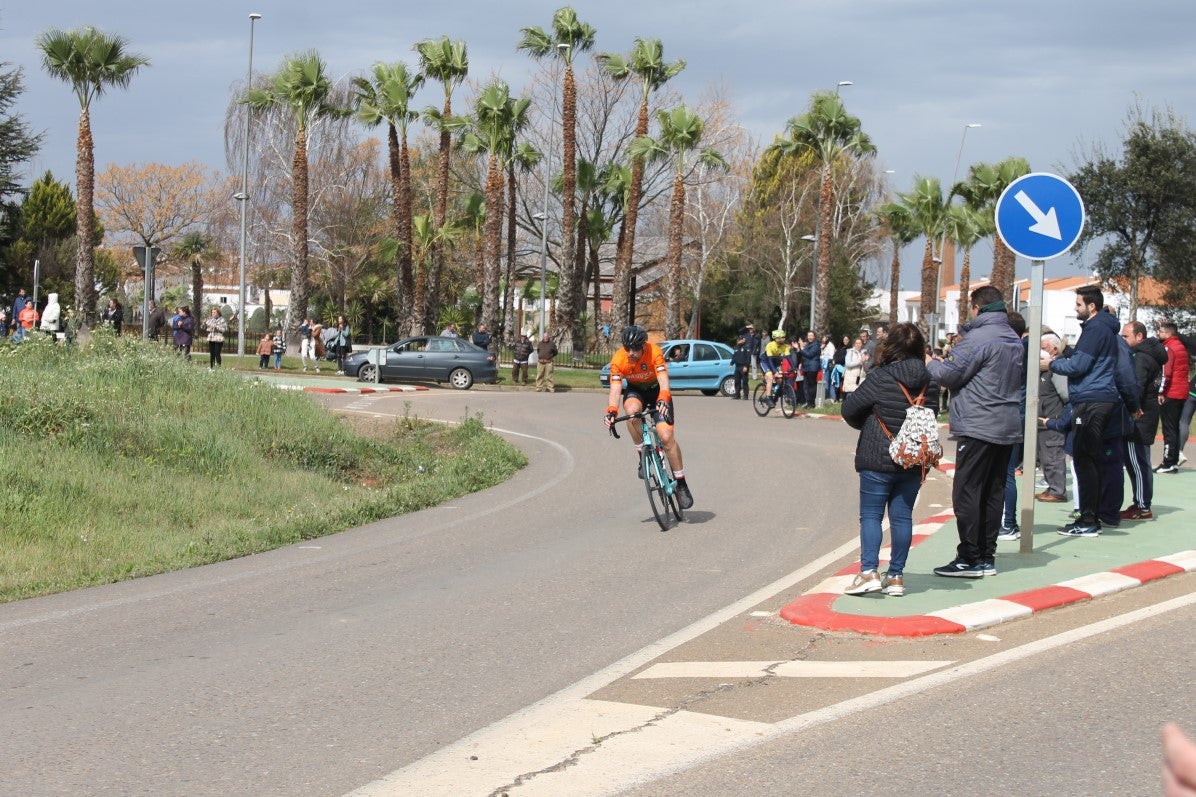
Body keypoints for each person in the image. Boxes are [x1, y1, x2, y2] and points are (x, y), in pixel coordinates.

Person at [926, 285, 1023, 577]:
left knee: (967, 492)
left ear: (977, 308)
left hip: (979, 424)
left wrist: (930, 362)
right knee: (993, 491)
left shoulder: (977, 338)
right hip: (1006, 424)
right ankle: (985, 555)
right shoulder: (1012, 337)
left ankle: (968, 556)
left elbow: (947, 375)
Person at [841, 323, 933, 597]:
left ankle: (869, 571)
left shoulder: (881, 376)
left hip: (878, 455)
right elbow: (931, 414)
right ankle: (895, 577)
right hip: (914, 457)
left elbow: (849, 409)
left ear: (890, 346)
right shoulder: (930, 380)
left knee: (871, 515)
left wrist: (868, 424)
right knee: (902, 516)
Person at [1047, 286, 1124, 537]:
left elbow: (1080, 365)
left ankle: (1089, 519)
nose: (1075, 308)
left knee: (1085, 459)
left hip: (1091, 400)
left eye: (1078, 304)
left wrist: (1052, 364)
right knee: (1090, 459)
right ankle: (1092, 516)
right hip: (1097, 397)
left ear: (1092, 307)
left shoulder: (1096, 329)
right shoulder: (1102, 328)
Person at [603, 324, 693, 509]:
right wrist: (611, 410)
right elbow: (615, 389)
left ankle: (681, 483)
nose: (631, 353)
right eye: (628, 348)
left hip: (657, 392)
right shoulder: (619, 359)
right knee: (631, 414)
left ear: (644, 345)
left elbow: (663, 382)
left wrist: (663, 399)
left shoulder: (655, 352)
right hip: (636, 391)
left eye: (635, 348)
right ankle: (642, 457)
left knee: (667, 438)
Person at [1121, 321, 1166, 520]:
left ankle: (1142, 505)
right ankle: (1141, 503)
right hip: (1147, 413)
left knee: (1137, 463)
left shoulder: (1141, 358)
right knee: (1141, 462)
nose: (1123, 340)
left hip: (1139, 417)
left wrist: (1132, 408)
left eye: (1126, 336)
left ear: (1139, 336)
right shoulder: (1152, 355)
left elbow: (1136, 386)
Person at [1034, 333, 1071, 504]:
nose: (1040, 352)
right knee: (1046, 457)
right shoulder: (1045, 369)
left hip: (1053, 419)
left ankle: (1057, 490)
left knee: (1053, 456)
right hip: (1044, 419)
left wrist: (1059, 418)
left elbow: (1065, 394)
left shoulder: (1058, 369)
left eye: (1043, 348)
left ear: (1054, 350)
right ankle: (1052, 487)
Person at [1155, 321, 1190, 474]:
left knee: (1169, 429)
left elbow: (1166, 373)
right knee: (1174, 428)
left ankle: (1168, 462)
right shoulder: (1181, 346)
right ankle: (1173, 461)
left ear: (1168, 334)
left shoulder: (1169, 347)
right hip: (1182, 392)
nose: (1158, 333)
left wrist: (1160, 392)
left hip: (1172, 392)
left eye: (1160, 331)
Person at [760, 329, 790, 402]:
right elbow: (770, 360)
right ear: (776, 339)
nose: (783, 339)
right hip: (765, 362)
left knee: (780, 378)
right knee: (770, 377)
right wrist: (774, 372)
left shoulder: (785, 346)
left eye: (783, 337)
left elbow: (789, 358)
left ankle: (776, 393)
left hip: (775, 362)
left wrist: (794, 368)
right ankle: (768, 397)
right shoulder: (770, 345)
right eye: (781, 338)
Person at [798, 330, 822, 408]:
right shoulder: (808, 344)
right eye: (809, 336)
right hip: (806, 368)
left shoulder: (816, 345)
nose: (810, 337)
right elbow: (804, 354)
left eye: (811, 336)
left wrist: (802, 347)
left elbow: (809, 354)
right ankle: (808, 402)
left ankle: (812, 403)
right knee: (806, 386)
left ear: (814, 336)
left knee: (811, 386)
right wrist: (800, 349)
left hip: (812, 368)